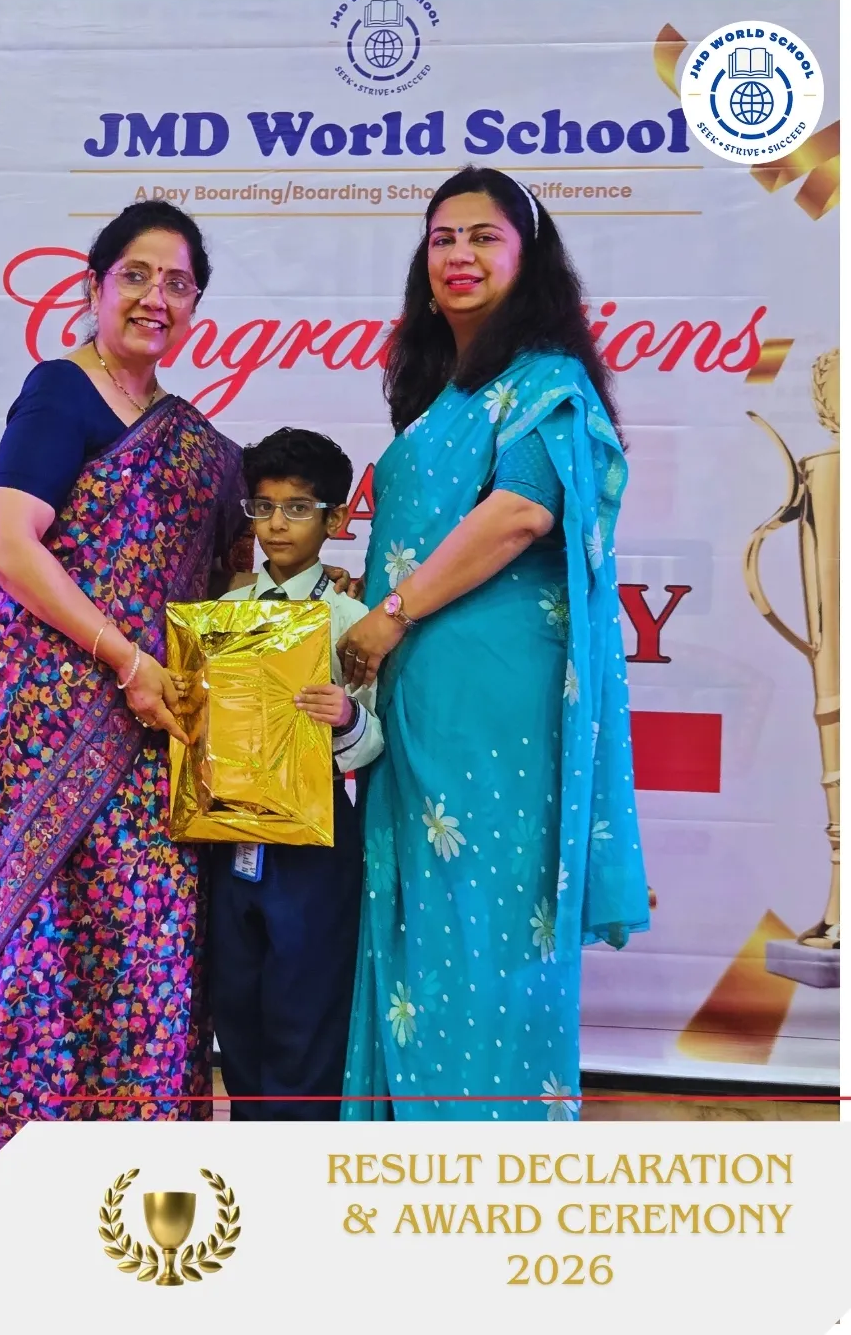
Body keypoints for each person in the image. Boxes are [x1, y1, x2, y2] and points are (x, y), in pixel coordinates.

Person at [0, 201, 257, 1199]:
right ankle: (15, 1183)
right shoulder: (60, 392)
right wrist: (125, 659)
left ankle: (132, 1178)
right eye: (136, 276)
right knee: (41, 952)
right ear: (94, 287)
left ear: (196, 304)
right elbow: (5, 538)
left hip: (151, 739)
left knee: (143, 949)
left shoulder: (196, 444)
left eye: (179, 283)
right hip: (41, 730)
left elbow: (221, 584)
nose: (157, 297)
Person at [336, 166, 650, 1122]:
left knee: (491, 928)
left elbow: (521, 513)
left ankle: (488, 1159)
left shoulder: (547, 381)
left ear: (528, 258)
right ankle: (402, 1162)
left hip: (496, 709)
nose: (460, 255)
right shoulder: (443, 395)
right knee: (418, 926)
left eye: (484, 237)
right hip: (422, 701)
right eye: (443, 239)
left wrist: (390, 613)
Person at [211, 428, 383, 1119]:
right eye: (263, 507)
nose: (277, 524)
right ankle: (251, 1141)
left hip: (316, 835)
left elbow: (374, 741)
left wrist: (345, 717)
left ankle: (301, 1149)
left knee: (305, 999)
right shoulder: (221, 615)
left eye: (297, 508)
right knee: (235, 997)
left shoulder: (351, 620)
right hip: (230, 830)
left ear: (335, 519)